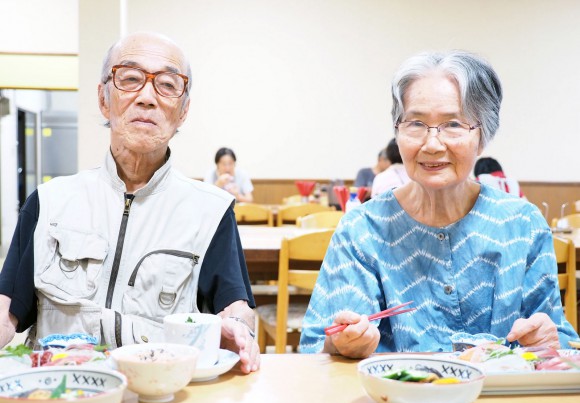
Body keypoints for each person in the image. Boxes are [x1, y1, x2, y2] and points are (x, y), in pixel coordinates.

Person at [0, 32, 260, 373]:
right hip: (59, 399)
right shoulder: (49, 202)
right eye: (131, 79)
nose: (147, 97)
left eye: (167, 85)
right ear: (104, 99)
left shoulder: (211, 211)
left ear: (183, 111)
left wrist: (240, 329)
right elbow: (7, 310)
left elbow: (236, 308)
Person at [300, 50, 579, 358]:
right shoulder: (363, 229)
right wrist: (343, 343)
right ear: (398, 131)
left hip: (501, 402)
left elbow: (559, 336)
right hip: (393, 401)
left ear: (483, 135)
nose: (432, 145)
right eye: (416, 123)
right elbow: (318, 345)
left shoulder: (521, 224)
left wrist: (548, 339)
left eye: (453, 125)